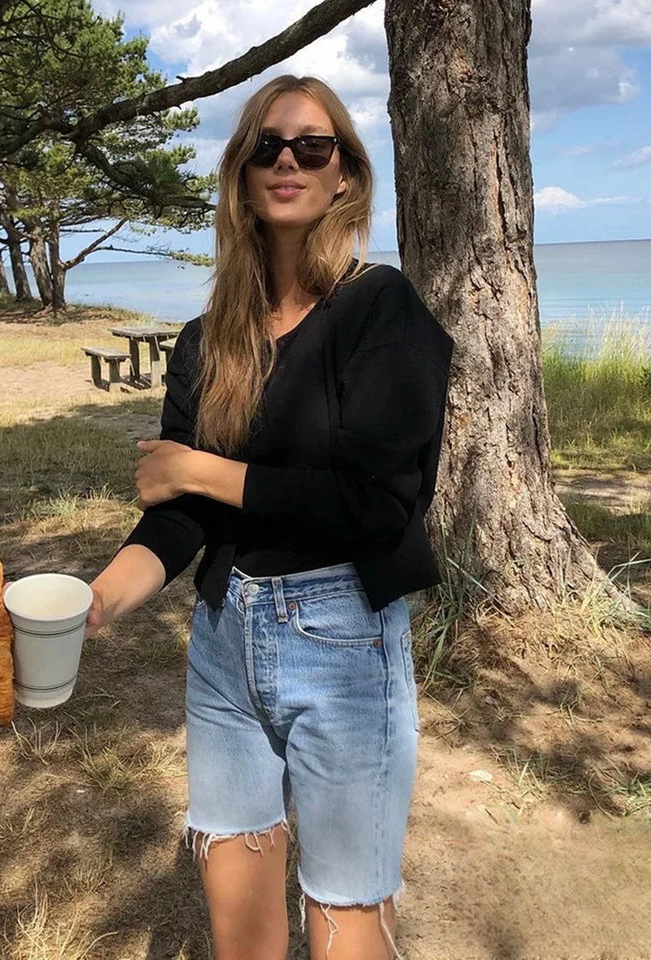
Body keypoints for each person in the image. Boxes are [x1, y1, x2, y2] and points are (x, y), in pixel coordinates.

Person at [85, 75, 454, 960]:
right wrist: (93, 602)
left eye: (312, 146)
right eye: (266, 146)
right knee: (239, 924)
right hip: (223, 639)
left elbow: (374, 507)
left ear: (343, 174)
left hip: (344, 640)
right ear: (242, 176)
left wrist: (201, 468)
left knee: (345, 918)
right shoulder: (207, 338)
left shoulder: (381, 308)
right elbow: (181, 520)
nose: (288, 161)